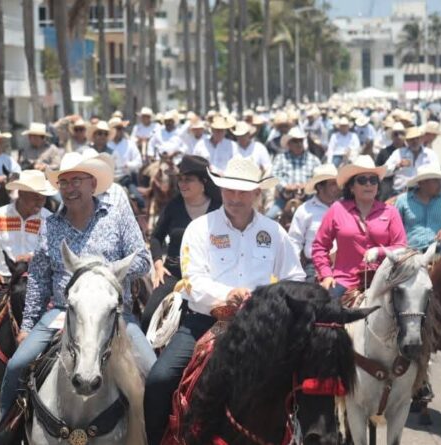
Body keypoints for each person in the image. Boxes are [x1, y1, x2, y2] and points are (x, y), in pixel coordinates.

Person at [143, 156, 305, 445]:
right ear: (220, 190)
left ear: (257, 193)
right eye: (230, 190)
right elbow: (192, 279)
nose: (235, 197)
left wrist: (270, 302)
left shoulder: (274, 232)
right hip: (204, 321)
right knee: (159, 379)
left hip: (262, 326)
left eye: (243, 191)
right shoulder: (200, 229)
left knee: (306, 380)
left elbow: (295, 278)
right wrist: (227, 294)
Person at [0, 152, 155, 421]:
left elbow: (142, 260)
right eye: (64, 182)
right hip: (63, 310)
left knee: (153, 372)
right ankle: (6, 430)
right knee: (17, 365)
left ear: (93, 184)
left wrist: (103, 273)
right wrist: (27, 327)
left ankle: (158, 435)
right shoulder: (50, 225)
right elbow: (38, 279)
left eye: (76, 181)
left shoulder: (117, 216)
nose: (70, 188)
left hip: (113, 313)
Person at [0, 170, 56, 407]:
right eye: (36, 196)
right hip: (5, 281)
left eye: (43, 196)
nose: (41, 201)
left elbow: (56, 251)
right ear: (21, 193)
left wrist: (33, 258)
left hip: (38, 282)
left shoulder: (49, 219)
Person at [141, 155, 222, 331]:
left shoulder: (219, 208)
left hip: (211, 275)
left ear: (203, 182)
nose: (182, 184)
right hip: (175, 273)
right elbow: (156, 237)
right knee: (148, 317)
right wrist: (158, 266)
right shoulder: (173, 206)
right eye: (180, 180)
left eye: (188, 180)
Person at [313, 155, 408, 300]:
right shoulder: (337, 209)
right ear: (351, 187)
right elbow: (319, 246)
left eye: (373, 180)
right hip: (344, 281)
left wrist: (379, 251)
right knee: (323, 309)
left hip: (385, 281)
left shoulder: (390, 212)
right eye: (362, 180)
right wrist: (326, 275)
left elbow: (401, 247)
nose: (368, 184)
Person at [289, 163, 340, 282]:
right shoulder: (304, 210)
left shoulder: (344, 208)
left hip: (342, 267)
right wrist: (293, 272)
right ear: (320, 187)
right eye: (332, 184)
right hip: (314, 267)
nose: (337, 187)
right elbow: (294, 241)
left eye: (336, 183)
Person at [395, 163, 441, 253]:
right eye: (436, 181)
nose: (440, 185)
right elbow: (395, 227)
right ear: (422, 183)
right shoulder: (403, 201)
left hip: (439, 252)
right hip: (411, 253)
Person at [266, 126, 322, 219]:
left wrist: (308, 185)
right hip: (284, 198)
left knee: (320, 218)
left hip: (308, 198)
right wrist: (285, 186)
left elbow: (319, 177)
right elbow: (274, 175)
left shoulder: (313, 159)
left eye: (300, 141)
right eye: (295, 141)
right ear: (289, 144)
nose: (299, 144)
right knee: (269, 217)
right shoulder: (281, 158)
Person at [384, 126, 440, 195]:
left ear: (421, 139)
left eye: (417, 138)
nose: (415, 141)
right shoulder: (398, 153)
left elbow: (437, 172)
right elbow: (384, 172)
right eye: (412, 139)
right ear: (407, 141)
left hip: (423, 192)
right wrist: (398, 166)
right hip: (401, 191)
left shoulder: (430, 154)